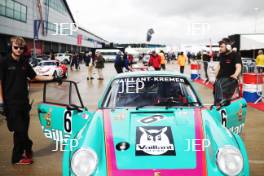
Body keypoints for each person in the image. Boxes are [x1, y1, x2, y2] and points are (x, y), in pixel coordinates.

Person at [0, 36, 55, 165]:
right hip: (10, 104)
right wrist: (1, 103)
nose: (19, 50)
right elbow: (0, 82)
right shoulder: (4, 62)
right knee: (19, 130)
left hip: (24, 103)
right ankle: (17, 158)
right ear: (11, 47)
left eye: (21, 48)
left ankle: (28, 146)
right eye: (16, 47)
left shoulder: (24, 62)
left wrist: (51, 78)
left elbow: (34, 76)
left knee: (23, 130)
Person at [214, 38, 242, 105]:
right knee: (217, 100)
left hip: (229, 81)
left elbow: (238, 67)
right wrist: (216, 77)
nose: (220, 48)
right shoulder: (221, 54)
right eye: (219, 47)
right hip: (220, 80)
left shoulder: (235, 55)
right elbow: (219, 66)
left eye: (221, 46)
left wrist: (235, 75)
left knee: (224, 101)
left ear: (228, 46)